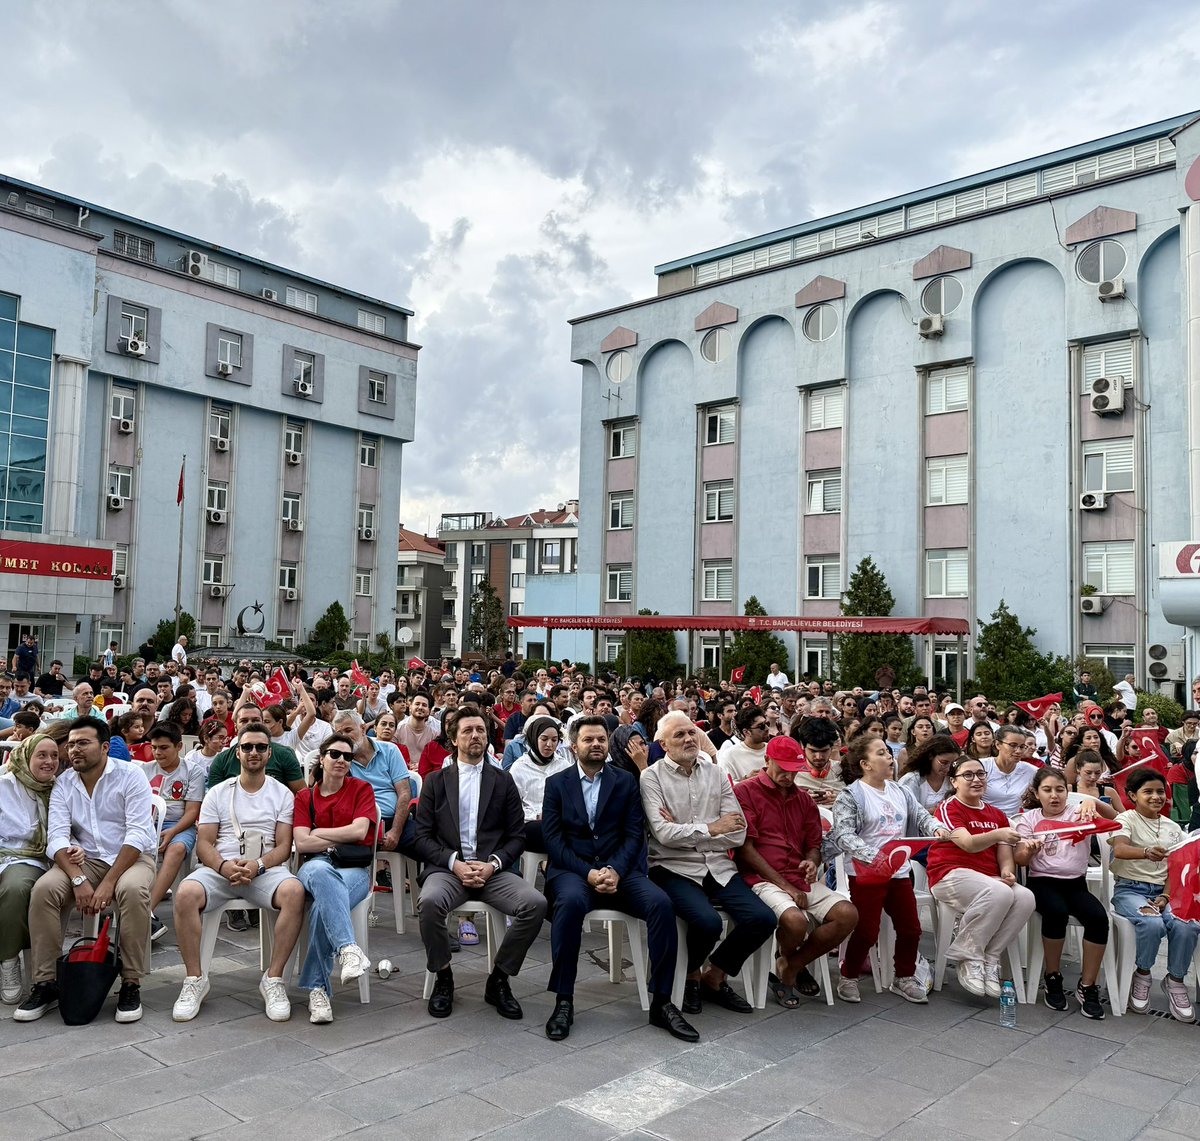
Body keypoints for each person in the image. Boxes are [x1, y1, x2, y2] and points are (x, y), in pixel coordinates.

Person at [540, 715, 698, 1042]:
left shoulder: (625, 781)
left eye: (601, 739)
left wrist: (614, 870)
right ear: (574, 746)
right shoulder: (557, 784)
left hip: (620, 871)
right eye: (588, 740)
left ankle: (663, 1002)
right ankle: (564, 999)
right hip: (575, 872)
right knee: (567, 905)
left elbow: (633, 836)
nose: (596, 744)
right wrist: (589, 872)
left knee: (661, 905)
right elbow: (554, 842)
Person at [15, 719, 157, 1023]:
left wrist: (108, 883)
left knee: (132, 890)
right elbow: (57, 837)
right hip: (84, 860)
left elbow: (137, 836)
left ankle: (131, 982)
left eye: (83, 743)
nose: (74, 749)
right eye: (71, 743)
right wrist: (78, 879)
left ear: (104, 747)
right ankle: (47, 983)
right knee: (44, 890)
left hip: (130, 859)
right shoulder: (65, 782)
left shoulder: (131, 776)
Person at [413, 708, 548, 1019]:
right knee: (430, 902)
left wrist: (493, 864)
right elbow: (421, 838)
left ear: (488, 738)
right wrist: (455, 863)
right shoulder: (435, 781)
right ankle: (444, 976)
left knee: (535, 903)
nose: (475, 735)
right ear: (454, 738)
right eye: (467, 730)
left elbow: (517, 836)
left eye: (480, 730)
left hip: (493, 870)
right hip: (449, 870)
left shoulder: (503, 781)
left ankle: (499, 978)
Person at [170, 721, 306, 1023]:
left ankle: (273, 979)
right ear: (237, 752)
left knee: (295, 892)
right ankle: (195, 978)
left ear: (270, 753)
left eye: (260, 747)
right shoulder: (218, 792)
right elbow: (204, 842)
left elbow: (285, 845)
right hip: (221, 868)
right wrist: (222, 865)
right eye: (247, 747)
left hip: (265, 869)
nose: (253, 752)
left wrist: (258, 865)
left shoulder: (282, 794)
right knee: (186, 893)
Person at [642, 710, 776, 1016]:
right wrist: (712, 827)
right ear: (663, 745)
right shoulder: (651, 778)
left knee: (763, 919)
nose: (690, 738)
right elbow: (663, 835)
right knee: (708, 922)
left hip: (718, 866)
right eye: (680, 735)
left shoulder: (715, 773)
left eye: (691, 732)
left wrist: (690, 831)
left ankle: (714, 976)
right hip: (673, 867)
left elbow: (738, 831)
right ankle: (689, 976)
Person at [732, 734, 857, 1006]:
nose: (789, 777)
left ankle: (791, 964)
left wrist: (812, 860)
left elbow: (813, 844)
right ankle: (792, 966)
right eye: (783, 770)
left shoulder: (804, 800)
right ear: (767, 760)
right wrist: (786, 887)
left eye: (793, 771)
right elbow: (746, 849)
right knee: (795, 920)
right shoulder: (746, 792)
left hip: (797, 876)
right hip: (762, 878)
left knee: (847, 914)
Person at [826, 735, 947, 1003]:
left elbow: (921, 815)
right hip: (865, 873)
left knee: (911, 928)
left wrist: (936, 828)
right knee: (867, 930)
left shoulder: (900, 791)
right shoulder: (851, 795)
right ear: (865, 764)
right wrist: (873, 856)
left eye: (888, 752)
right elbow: (843, 835)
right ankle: (849, 975)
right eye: (881, 753)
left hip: (898, 871)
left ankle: (903, 977)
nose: (890, 757)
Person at [927, 756, 1035, 999]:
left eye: (980, 774)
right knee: (1000, 892)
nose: (976, 779)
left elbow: (1004, 853)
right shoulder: (948, 808)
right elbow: (967, 844)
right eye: (968, 775)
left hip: (988, 880)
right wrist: (998, 832)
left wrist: (1007, 871)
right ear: (954, 782)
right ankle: (969, 956)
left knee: (1026, 897)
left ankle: (989, 957)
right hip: (950, 874)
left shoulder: (996, 814)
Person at [292, 734, 376, 1023]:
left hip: (354, 870)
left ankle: (317, 989)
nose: (341, 760)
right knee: (319, 870)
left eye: (347, 756)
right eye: (335, 754)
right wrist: (328, 841)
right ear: (322, 758)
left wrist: (320, 835)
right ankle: (348, 949)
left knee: (319, 908)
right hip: (315, 867)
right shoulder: (305, 797)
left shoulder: (361, 788)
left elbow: (358, 832)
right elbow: (301, 844)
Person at [1013, 768, 1110, 1018]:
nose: (1054, 796)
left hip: (1076, 883)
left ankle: (1087, 985)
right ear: (1037, 793)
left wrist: (1092, 800)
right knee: (1055, 912)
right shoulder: (1029, 819)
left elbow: (1116, 818)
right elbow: (1020, 859)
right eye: (1047, 790)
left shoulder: (1079, 813)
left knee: (1098, 918)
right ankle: (1052, 975)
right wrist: (1030, 849)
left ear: (1068, 791)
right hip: (1042, 882)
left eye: (1060, 789)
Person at [1107, 767, 1200, 1021]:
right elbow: (1122, 849)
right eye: (1148, 791)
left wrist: (1166, 897)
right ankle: (1144, 973)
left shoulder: (1172, 827)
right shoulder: (1125, 819)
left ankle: (1175, 981)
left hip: (1164, 892)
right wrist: (1146, 852)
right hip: (1130, 889)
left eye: (1160, 791)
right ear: (1132, 795)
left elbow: (1177, 868)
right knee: (1151, 922)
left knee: (1187, 924)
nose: (1156, 796)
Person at [0, 733, 58, 1003]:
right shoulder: (4, 784)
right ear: (25, 757)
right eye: (42, 755)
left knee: (16, 888)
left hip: (30, 859)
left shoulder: (58, 790)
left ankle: (8, 959)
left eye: (54, 756)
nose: (49, 762)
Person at [141, 721, 205, 942]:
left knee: (176, 848)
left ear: (179, 746)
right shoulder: (144, 770)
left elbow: (192, 811)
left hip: (180, 825)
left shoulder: (192, 771)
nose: (158, 753)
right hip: (148, 823)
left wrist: (171, 831)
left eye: (164, 747)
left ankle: (147, 909)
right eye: (154, 747)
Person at [508, 715, 572, 852]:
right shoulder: (519, 767)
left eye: (554, 740)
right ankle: (550, 864)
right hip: (530, 824)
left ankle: (552, 864)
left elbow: (571, 800)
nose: (549, 744)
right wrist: (536, 815)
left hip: (558, 822)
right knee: (544, 828)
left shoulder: (564, 765)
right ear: (534, 738)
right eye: (544, 739)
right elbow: (513, 808)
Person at [982, 726, 1041, 816]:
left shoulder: (1031, 771)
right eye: (1012, 745)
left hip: (1017, 821)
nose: (1018, 751)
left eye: (1022, 747)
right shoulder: (982, 767)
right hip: (986, 819)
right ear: (998, 744)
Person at [898, 734, 961, 812]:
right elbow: (905, 812)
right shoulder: (911, 780)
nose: (948, 768)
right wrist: (934, 811)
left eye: (953, 764)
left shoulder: (954, 779)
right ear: (930, 756)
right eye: (944, 762)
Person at [717, 705, 770, 783]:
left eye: (767, 723)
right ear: (746, 732)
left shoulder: (774, 749)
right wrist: (746, 781)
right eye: (761, 726)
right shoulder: (729, 755)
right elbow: (724, 785)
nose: (767, 728)